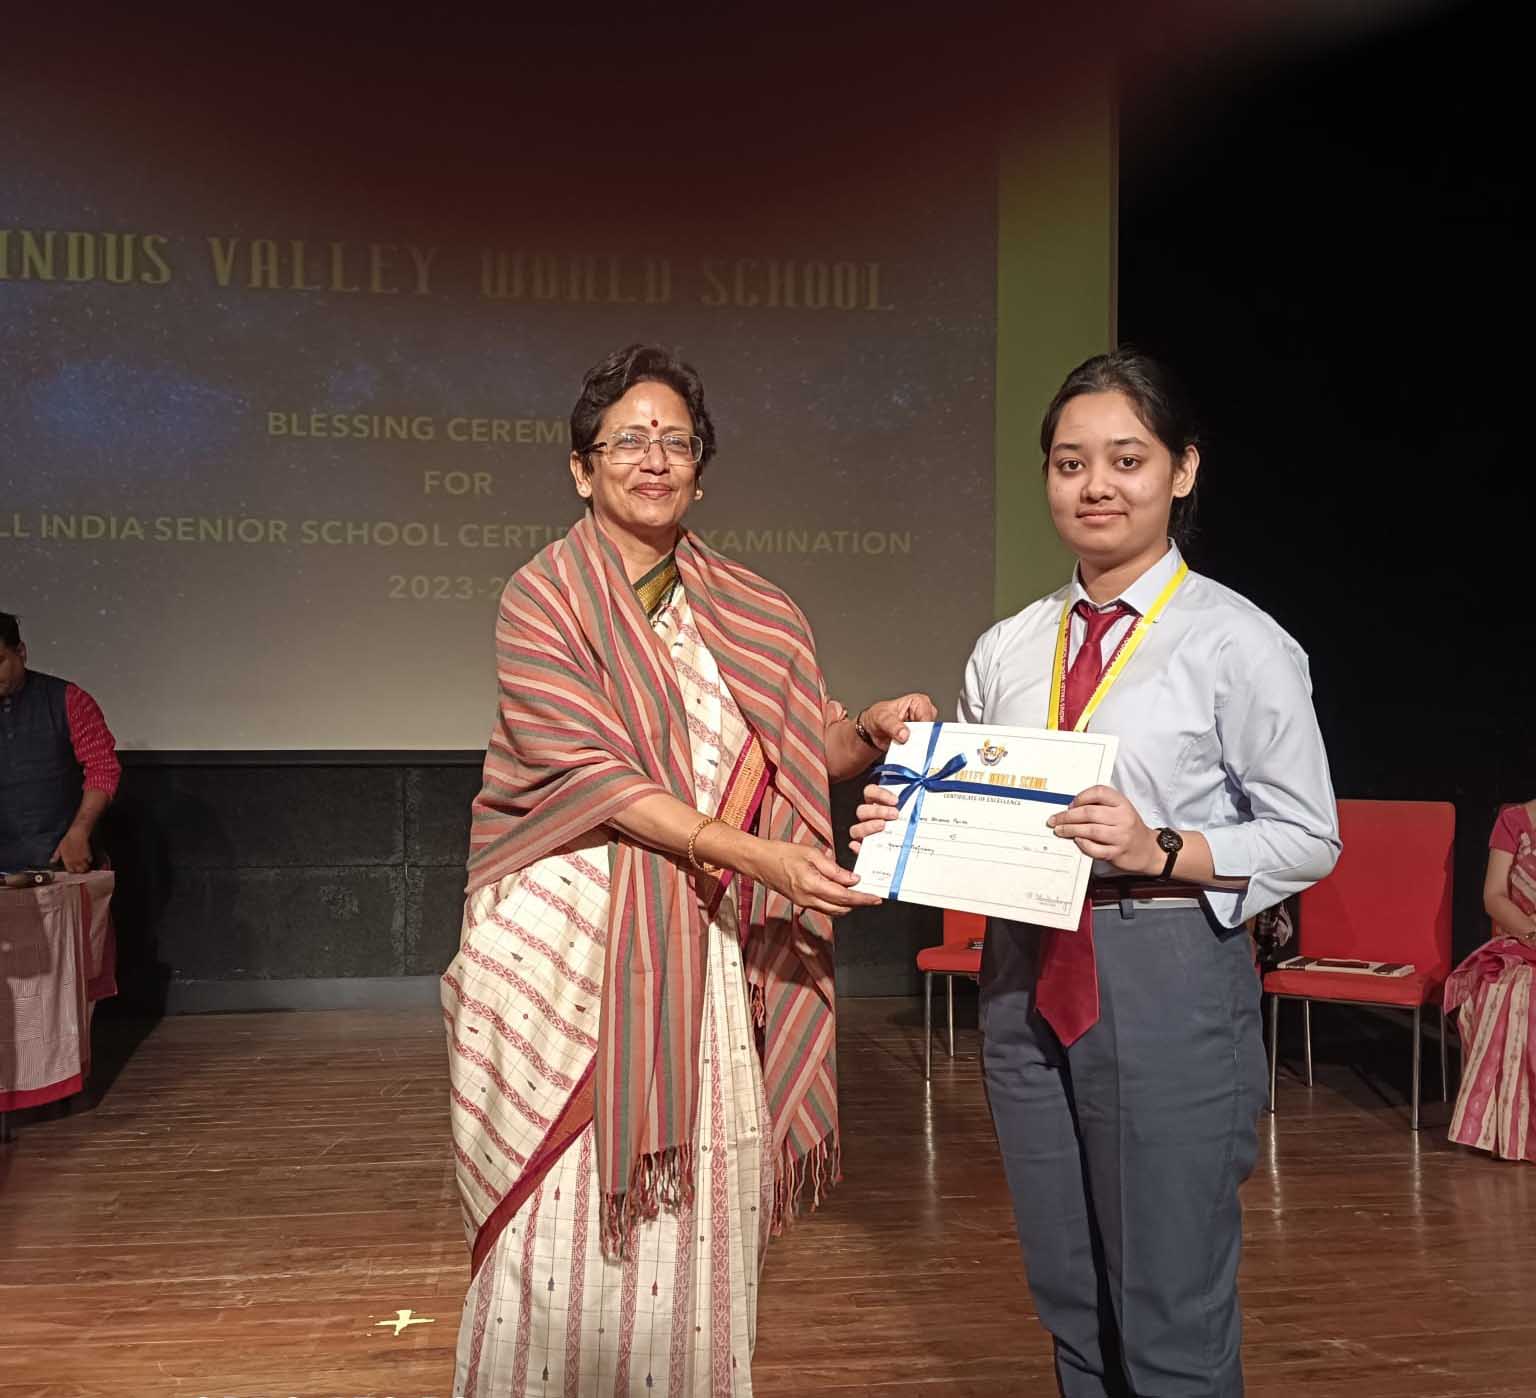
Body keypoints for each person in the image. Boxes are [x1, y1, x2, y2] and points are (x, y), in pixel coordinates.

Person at [443, 343, 935, 1396]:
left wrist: (869, 731)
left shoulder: (753, 610)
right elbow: (593, 777)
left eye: (676, 441)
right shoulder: (543, 599)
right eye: (629, 440)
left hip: (702, 952)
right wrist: (757, 857)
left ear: (701, 472)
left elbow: (796, 749)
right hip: (562, 955)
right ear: (582, 469)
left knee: (698, 1213)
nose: (655, 458)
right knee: (551, 1223)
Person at [853, 349, 1340, 1397]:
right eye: (1070, 464)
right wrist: (910, 818)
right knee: (1069, 1293)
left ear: (1183, 469)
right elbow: (983, 822)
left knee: (1170, 1305)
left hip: (1165, 964)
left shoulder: (1238, 643)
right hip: (1025, 970)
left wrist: (1164, 845)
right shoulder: (1008, 647)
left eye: (1127, 459)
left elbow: (1309, 836)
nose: (1096, 486)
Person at [1444, 799, 1536, 1161]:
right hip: (1524, 941)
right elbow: (1494, 896)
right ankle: (1513, 1132)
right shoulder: (1515, 821)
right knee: (1515, 991)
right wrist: (1532, 934)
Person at [0, 611, 121, 874]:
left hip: (62, 864)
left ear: (21, 652)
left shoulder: (69, 700)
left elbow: (103, 768)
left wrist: (80, 830)